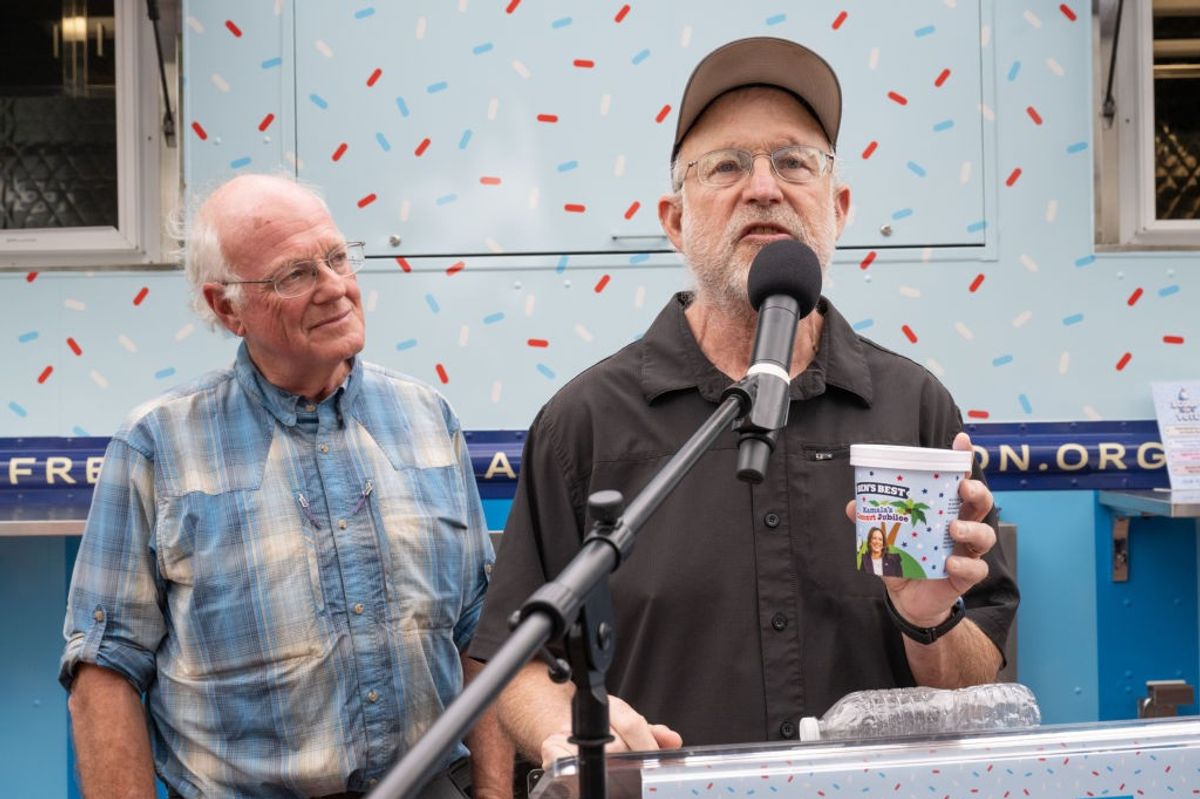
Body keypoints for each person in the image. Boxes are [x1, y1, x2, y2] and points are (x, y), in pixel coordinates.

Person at [467, 36, 1019, 770]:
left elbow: (980, 683)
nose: (764, 187)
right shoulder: (585, 424)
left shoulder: (913, 408)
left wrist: (931, 620)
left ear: (838, 207)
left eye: (794, 162)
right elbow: (517, 662)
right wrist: (567, 728)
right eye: (726, 165)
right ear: (674, 220)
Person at [60, 174, 512, 798]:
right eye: (295, 275)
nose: (335, 287)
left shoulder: (428, 418)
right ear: (228, 308)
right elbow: (104, 670)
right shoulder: (158, 444)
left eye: (337, 258)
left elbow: (480, 633)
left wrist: (494, 793)